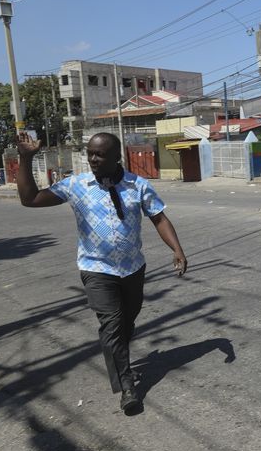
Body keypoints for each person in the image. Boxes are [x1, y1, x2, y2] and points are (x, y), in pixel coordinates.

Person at [15, 131, 187, 413]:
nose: (93, 159)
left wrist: (177, 249)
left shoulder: (137, 185)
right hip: (96, 269)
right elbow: (30, 199)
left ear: (116, 156)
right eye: (90, 153)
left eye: (100, 154)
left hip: (133, 268)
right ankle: (127, 386)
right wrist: (25, 158)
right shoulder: (76, 185)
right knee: (112, 325)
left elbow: (158, 217)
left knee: (126, 321)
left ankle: (121, 340)